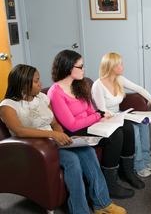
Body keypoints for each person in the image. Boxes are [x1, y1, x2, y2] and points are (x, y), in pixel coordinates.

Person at [0, 64, 126, 214]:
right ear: (22, 82)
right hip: (35, 149)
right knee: (72, 160)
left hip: (54, 141)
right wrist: (53, 135)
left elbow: (53, 123)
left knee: (88, 151)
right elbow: (20, 131)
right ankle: (80, 211)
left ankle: (102, 203)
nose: (41, 84)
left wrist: (61, 135)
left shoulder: (42, 98)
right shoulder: (8, 106)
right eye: (36, 81)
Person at [47, 49, 144, 200]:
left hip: (88, 125)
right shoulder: (55, 93)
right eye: (80, 66)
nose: (83, 69)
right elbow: (72, 125)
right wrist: (98, 116)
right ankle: (110, 184)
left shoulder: (79, 84)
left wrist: (98, 117)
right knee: (115, 134)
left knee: (127, 127)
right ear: (68, 68)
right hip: (73, 133)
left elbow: (90, 109)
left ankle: (127, 171)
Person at [91, 52, 151, 177]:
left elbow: (139, 89)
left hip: (118, 114)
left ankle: (146, 159)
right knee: (133, 127)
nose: (123, 67)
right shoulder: (98, 85)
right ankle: (138, 165)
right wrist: (122, 116)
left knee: (144, 123)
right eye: (121, 64)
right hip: (105, 119)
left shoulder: (119, 79)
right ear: (113, 67)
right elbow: (102, 111)